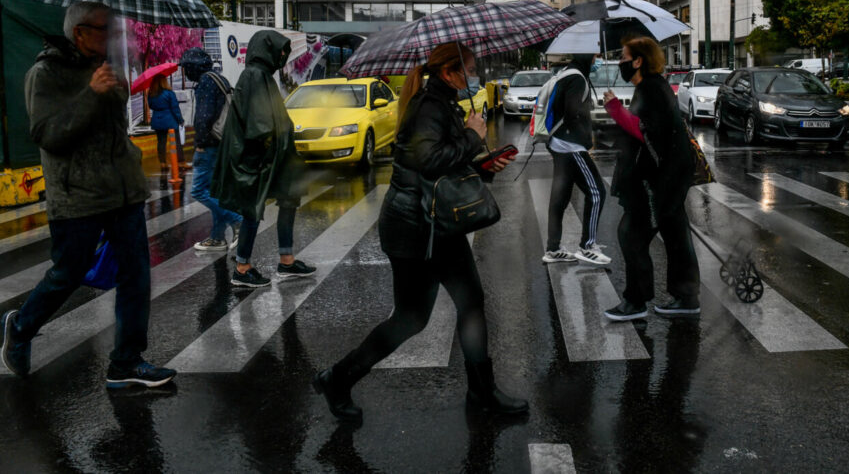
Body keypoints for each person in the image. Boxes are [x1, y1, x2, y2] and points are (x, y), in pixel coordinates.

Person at [313, 42, 527, 424]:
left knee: (459, 306)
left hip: (429, 223)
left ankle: (480, 393)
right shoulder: (429, 106)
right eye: (469, 70)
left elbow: (442, 167)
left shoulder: (439, 103)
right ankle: (338, 378)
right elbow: (428, 161)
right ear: (449, 72)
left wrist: (484, 164)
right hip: (417, 228)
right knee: (419, 316)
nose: (473, 77)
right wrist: (474, 137)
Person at [0, 1, 176, 388]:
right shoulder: (43, 74)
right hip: (77, 197)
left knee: (136, 276)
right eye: (103, 29)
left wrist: (112, 91)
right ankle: (21, 326)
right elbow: (48, 134)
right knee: (68, 274)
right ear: (78, 32)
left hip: (122, 192)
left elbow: (116, 127)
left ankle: (126, 362)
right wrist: (92, 94)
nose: (112, 36)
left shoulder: (106, 69)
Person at [601, 37, 700, 321]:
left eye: (624, 56)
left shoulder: (651, 89)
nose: (620, 61)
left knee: (631, 235)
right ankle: (686, 297)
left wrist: (615, 110)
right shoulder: (653, 87)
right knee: (676, 235)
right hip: (668, 178)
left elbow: (645, 131)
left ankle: (636, 301)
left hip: (657, 183)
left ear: (638, 60)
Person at [210, 30, 315, 287]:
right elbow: (261, 124)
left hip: (273, 157)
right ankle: (242, 269)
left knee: (288, 198)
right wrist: (273, 150)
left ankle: (286, 260)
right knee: (251, 210)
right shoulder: (256, 76)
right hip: (260, 159)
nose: (283, 55)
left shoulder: (262, 76)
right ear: (267, 49)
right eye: (281, 50)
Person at [543, 54, 609, 266]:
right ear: (587, 56)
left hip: (558, 142)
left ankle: (553, 249)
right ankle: (587, 245)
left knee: (560, 197)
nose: (596, 59)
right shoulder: (577, 78)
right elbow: (572, 111)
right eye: (595, 55)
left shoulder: (567, 74)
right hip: (570, 145)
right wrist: (587, 130)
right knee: (597, 192)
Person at [181, 48, 243, 251]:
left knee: (199, 190)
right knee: (215, 191)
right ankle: (217, 237)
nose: (185, 72)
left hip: (209, 144)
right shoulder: (219, 78)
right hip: (221, 142)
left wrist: (199, 144)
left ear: (193, 67)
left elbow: (204, 117)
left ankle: (237, 220)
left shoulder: (206, 82)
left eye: (186, 68)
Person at [147, 74, 184, 172]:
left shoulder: (151, 93)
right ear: (164, 82)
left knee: (161, 143)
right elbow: (175, 108)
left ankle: (163, 163)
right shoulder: (169, 93)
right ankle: (180, 162)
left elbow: (150, 106)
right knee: (176, 142)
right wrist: (180, 120)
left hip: (157, 120)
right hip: (170, 120)